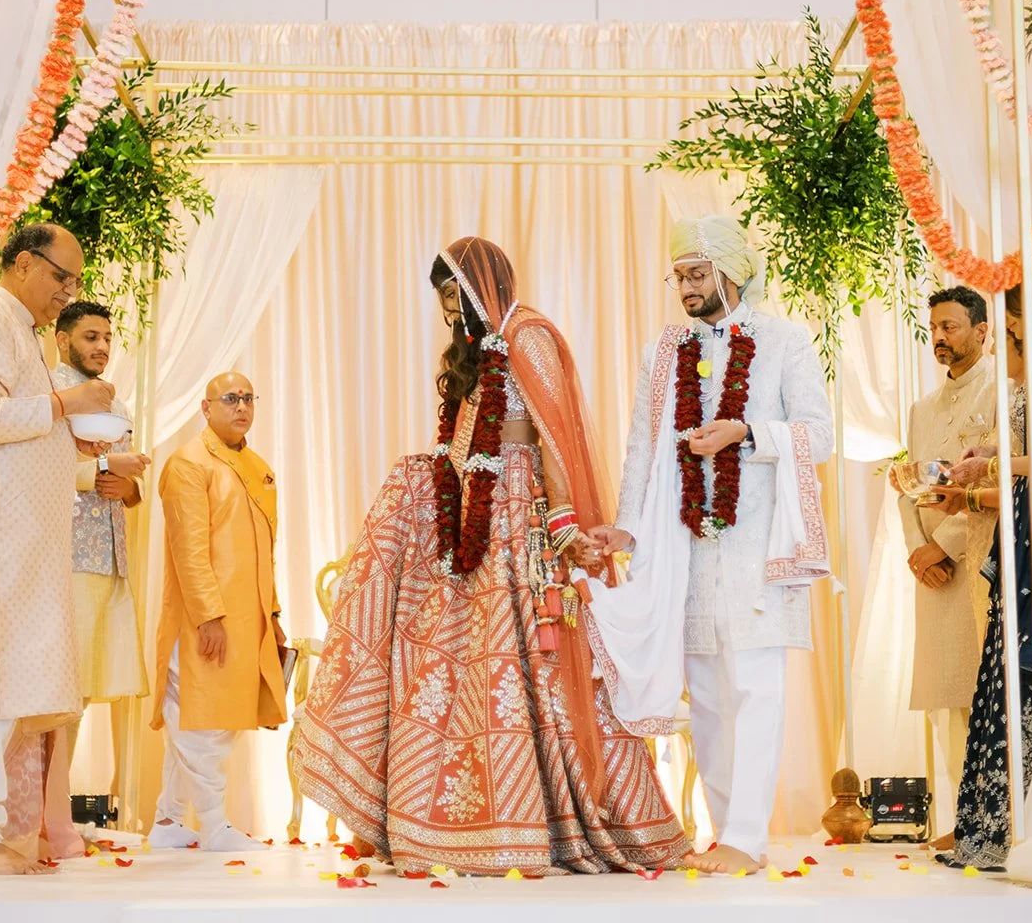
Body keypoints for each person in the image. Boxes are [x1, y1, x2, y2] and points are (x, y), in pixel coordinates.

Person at [292, 238, 706, 877]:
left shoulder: (530, 334)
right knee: (451, 667)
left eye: (455, 294)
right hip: (471, 525)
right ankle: (441, 816)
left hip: (520, 521)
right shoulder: (473, 351)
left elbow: (556, 436)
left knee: (534, 668)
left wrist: (564, 525)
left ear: (484, 284)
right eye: (442, 298)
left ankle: (551, 822)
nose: (449, 309)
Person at [583, 216, 835, 876]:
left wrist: (745, 435)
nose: (686, 288)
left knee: (755, 684)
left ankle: (747, 839)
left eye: (697, 275)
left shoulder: (783, 341)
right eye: (679, 276)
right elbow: (643, 446)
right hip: (686, 545)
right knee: (709, 693)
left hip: (756, 541)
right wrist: (628, 528)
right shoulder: (662, 353)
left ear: (732, 272)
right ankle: (728, 836)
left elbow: (820, 434)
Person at [0, 223, 115, 876]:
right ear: (20, 263)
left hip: (23, 546)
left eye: (75, 282)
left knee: (9, 689)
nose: (68, 293)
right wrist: (67, 403)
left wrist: (75, 439)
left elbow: (23, 422)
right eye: (61, 277)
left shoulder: (24, 332)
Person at [932, 279, 1032, 871]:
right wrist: (976, 492)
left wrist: (993, 464)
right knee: (1013, 672)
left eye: (1013, 315)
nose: (1012, 327)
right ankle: (1008, 825)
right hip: (1030, 527)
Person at [149, 372, 287, 853]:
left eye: (249, 397)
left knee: (208, 719)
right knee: (202, 718)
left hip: (247, 620)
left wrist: (272, 614)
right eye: (230, 398)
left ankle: (168, 821)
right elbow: (189, 550)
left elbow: (266, 552)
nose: (242, 406)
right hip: (205, 620)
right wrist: (208, 615)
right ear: (206, 408)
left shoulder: (257, 467)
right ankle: (213, 824)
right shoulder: (188, 464)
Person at [893, 285, 999, 800]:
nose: (939, 337)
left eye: (950, 327)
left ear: (982, 331)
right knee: (943, 695)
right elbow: (909, 489)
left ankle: (994, 816)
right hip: (931, 571)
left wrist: (946, 546)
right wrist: (918, 551)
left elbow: (1002, 483)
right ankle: (964, 815)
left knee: (980, 687)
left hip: (977, 560)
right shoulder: (921, 408)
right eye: (934, 328)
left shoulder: (1004, 390)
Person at [50, 302, 150, 834]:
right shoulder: (51, 396)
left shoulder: (118, 405)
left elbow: (130, 489)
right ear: (62, 339)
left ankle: (50, 815)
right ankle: (38, 815)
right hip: (64, 553)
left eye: (108, 338)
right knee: (57, 689)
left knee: (82, 689)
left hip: (109, 556)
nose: (102, 347)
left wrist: (129, 488)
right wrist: (105, 468)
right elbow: (40, 469)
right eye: (90, 336)